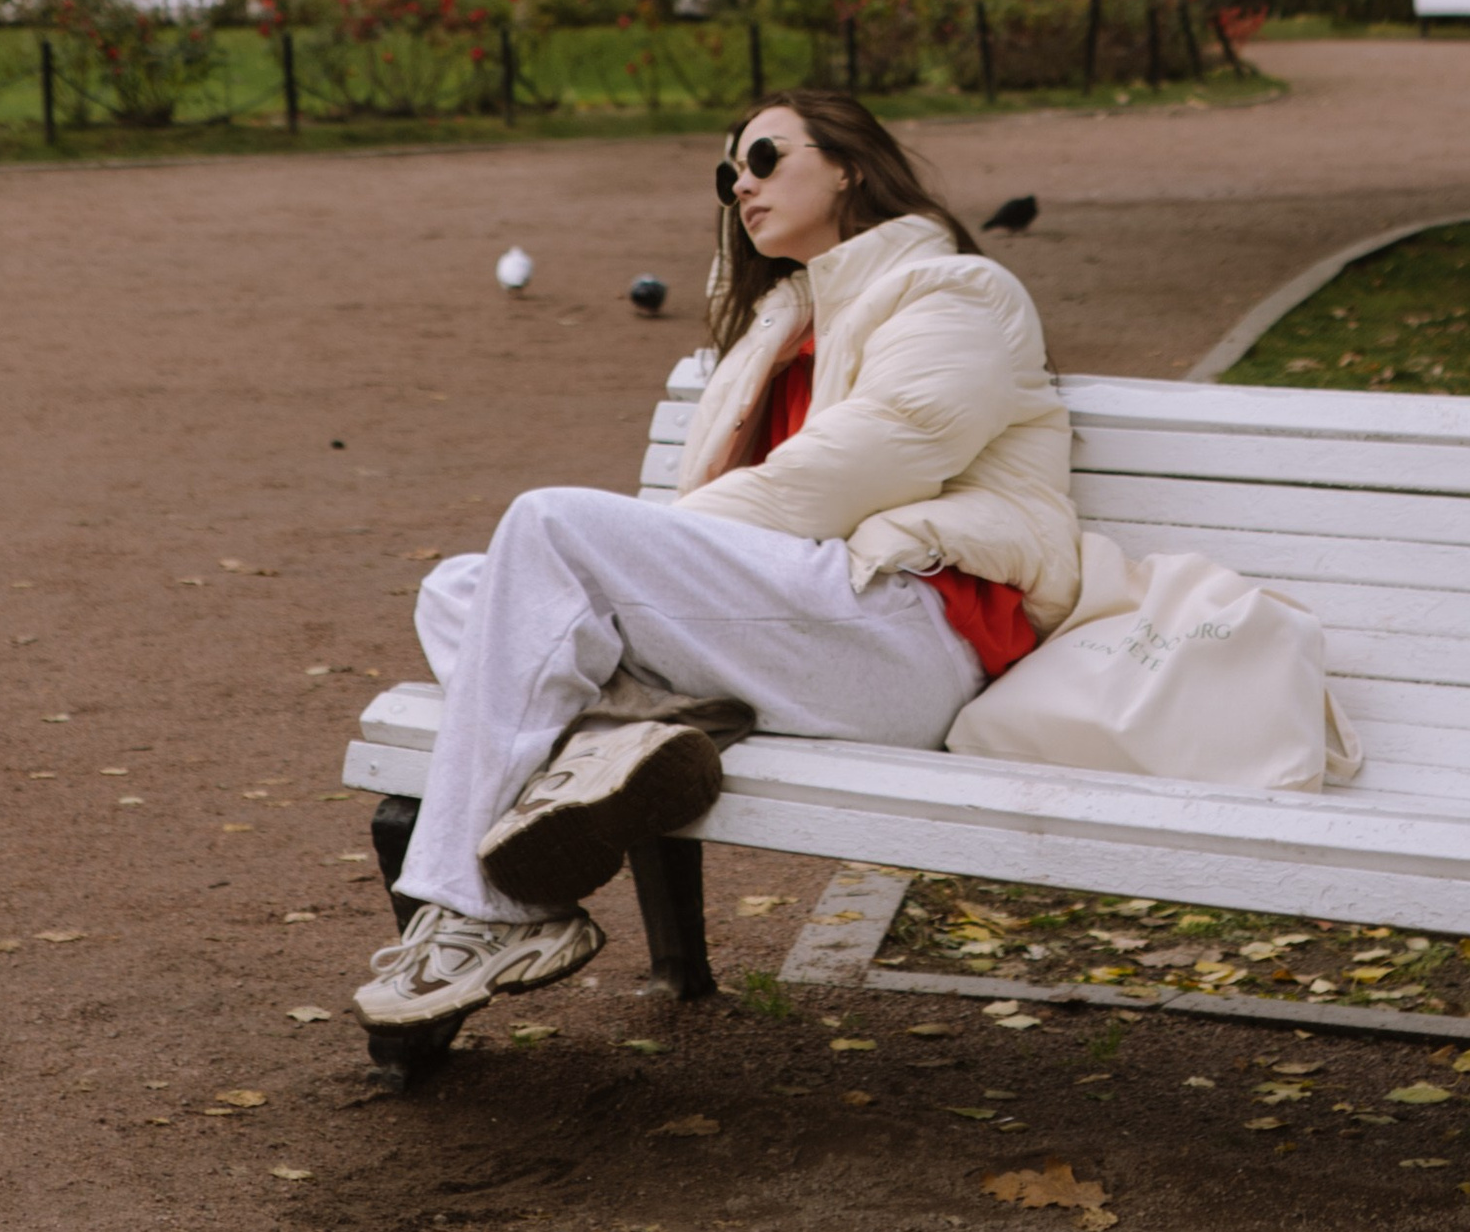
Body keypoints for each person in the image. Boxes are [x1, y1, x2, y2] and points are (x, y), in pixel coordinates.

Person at [355, 90, 1080, 1034]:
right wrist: (659, 554)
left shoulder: (958, 293)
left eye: (767, 156)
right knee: (463, 585)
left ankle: (487, 910)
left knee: (547, 531)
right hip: (799, 627)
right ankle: (639, 734)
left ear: (851, 164)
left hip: (908, 631)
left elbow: (866, 463)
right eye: (728, 170)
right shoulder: (777, 326)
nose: (742, 182)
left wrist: (663, 542)